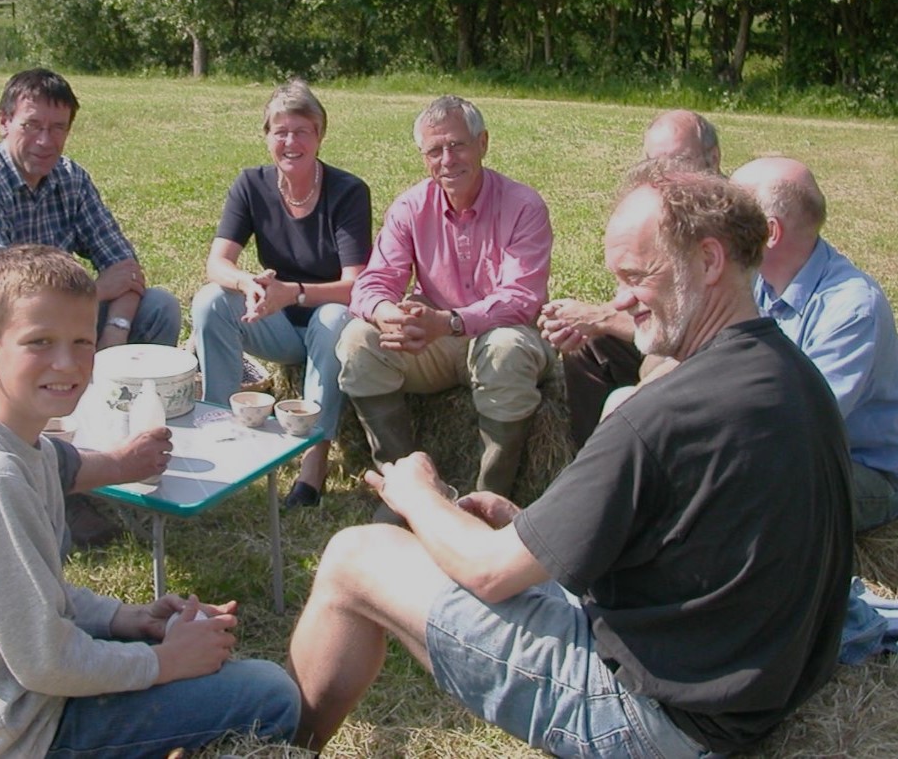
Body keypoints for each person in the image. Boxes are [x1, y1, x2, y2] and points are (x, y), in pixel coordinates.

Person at [287, 173, 853, 756]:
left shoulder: (660, 414)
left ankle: (284, 748)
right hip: (752, 693)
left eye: (636, 276)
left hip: (653, 719)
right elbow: (703, 540)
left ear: (709, 260)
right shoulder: (793, 376)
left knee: (354, 556)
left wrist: (416, 495)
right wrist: (536, 527)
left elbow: (488, 571)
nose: (620, 300)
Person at [0, 244, 300, 758]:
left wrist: (125, 619)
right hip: (13, 736)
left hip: (12, 703)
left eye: (82, 342)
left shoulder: (16, 442)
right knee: (271, 693)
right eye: (39, 342)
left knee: (207, 657)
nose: (66, 363)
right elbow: (45, 661)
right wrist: (163, 662)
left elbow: (34, 597)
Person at [336, 95, 553, 503]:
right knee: (358, 340)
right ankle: (406, 491)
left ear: (483, 143)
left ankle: (487, 501)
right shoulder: (410, 207)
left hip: (502, 332)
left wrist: (450, 321)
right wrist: (386, 313)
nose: (447, 160)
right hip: (435, 340)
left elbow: (521, 298)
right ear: (424, 158)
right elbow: (373, 282)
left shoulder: (523, 206)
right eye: (435, 151)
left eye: (457, 145)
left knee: (505, 350)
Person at [0, 67, 181, 369]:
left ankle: (123, 395)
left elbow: (126, 271)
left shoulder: (70, 179)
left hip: (50, 322)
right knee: (33, 338)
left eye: (57, 128)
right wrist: (95, 291)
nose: (45, 140)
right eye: (32, 125)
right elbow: (8, 300)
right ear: (3, 122)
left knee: (159, 308)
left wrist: (114, 332)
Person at [191, 80, 372, 509]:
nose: (291, 142)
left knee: (333, 318)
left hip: (328, 325)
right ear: (267, 136)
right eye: (281, 131)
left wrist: (294, 293)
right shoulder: (251, 185)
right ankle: (222, 430)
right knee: (210, 300)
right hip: (274, 325)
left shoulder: (348, 192)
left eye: (302, 131)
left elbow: (356, 285)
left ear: (319, 135)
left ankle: (313, 460)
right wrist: (247, 283)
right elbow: (217, 263)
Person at [732, 156, 898, 530]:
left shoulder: (852, 309)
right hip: (793, 446)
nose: (720, 221)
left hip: (860, 468)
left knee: (749, 489)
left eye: (734, 211)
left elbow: (799, 426)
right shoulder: (757, 280)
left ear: (769, 232)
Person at [538, 108, 721, 446]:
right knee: (587, 345)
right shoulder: (656, 214)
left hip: (706, 355)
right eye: (653, 163)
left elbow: (688, 330)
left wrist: (600, 318)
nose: (665, 175)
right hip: (670, 336)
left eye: (679, 161)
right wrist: (578, 321)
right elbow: (640, 300)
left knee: (650, 366)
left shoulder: (723, 223)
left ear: (714, 158)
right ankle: (591, 456)